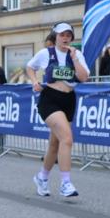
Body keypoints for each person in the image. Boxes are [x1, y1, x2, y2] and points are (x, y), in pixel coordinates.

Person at [26, 22, 90, 198]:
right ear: (55, 37)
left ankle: (42, 178)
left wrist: (75, 58)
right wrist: (34, 81)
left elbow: (84, 78)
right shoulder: (46, 53)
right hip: (50, 99)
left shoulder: (77, 55)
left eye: (68, 35)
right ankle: (66, 183)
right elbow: (30, 67)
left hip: (69, 100)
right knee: (67, 139)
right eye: (62, 35)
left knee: (55, 144)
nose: (65, 38)